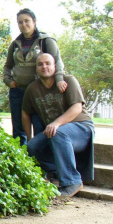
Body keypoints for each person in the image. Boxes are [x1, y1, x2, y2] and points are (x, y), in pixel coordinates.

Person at [22, 53, 94, 197]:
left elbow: (77, 108)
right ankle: (57, 171)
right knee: (32, 147)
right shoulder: (32, 89)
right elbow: (25, 112)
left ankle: (72, 181)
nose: (44, 67)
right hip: (56, 131)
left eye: (48, 63)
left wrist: (56, 123)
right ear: (36, 68)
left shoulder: (68, 80)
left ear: (55, 66)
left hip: (81, 127)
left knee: (59, 132)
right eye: (40, 64)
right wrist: (29, 137)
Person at [3, 8, 67, 146]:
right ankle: (20, 159)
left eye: (27, 21)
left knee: (39, 125)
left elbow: (57, 61)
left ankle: (40, 160)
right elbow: (7, 66)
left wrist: (59, 79)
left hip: (38, 91)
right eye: (20, 22)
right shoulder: (15, 44)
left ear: (34, 22)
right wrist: (8, 81)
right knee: (18, 128)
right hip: (18, 90)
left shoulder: (46, 41)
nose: (23, 24)